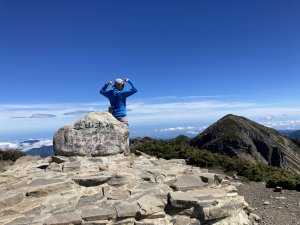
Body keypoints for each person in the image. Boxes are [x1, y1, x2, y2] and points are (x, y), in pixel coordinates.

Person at [100, 77, 137, 156]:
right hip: (122, 116)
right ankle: (126, 153)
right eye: (123, 85)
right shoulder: (123, 93)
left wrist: (106, 85)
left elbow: (101, 91)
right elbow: (135, 89)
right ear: (121, 85)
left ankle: (115, 152)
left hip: (113, 117)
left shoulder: (110, 93)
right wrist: (129, 81)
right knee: (125, 135)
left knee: (115, 134)